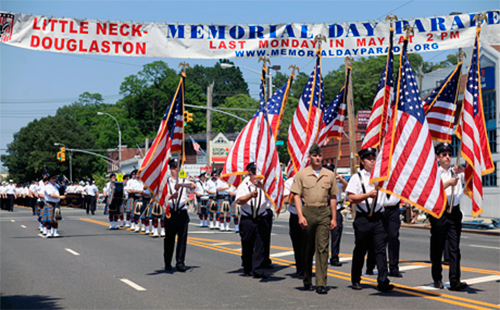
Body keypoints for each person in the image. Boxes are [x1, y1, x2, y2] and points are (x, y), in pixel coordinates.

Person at [291, 143, 339, 295]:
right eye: (314, 156)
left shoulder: (329, 174)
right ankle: (306, 278)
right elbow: (296, 196)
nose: (317, 158)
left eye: (319, 156)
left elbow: (332, 197)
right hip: (308, 211)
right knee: (307, 248)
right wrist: (300, 215)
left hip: (323, 212)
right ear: (310, 157)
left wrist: (334, 217)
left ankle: (321, 283)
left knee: (323, 248)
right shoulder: (302, 174)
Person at [346, 147, 394, 292]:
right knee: (361, 249)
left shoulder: (382, 177)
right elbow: (351, 197)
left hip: (378, 218)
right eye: (369, 159)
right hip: (363, 218)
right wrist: (367, 195)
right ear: (362, 161)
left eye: (374, 158)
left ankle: (383, 280)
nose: (372, 161)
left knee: (380, 250)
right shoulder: (357, 177)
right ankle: (356, 279)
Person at [430, 142, 467, 291]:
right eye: (443, 154)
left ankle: (454, 280)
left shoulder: (456, 171)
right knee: (437, 247)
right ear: (438, 157)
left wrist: (462, 169)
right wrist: (447, 183)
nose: (447, 157)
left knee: (454, 248)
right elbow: (432, 190)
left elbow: (472, 177)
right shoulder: (434, 173)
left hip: (455, 212)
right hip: (440, 211)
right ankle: (437, 278)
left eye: (449, 154)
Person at [235, 162, 272, 279]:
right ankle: (247, 267)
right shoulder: (243, 185)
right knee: (247, 243)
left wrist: (264, 188)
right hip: (248, 219)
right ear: (249, 173)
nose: (257, 175)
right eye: (254, 172)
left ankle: (258, 269)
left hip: (261, 217)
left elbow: (272, 198)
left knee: (260, 244)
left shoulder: (265, 185)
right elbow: (239, 200)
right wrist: (251, 195)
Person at [164, 158, 196, 272]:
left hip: (182, 212)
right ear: (170, 169)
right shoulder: (166, 182)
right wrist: (171, 197)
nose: (175, 169)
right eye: (173, 167)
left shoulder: (184, 181)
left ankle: (180, 262)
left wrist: (181, 184)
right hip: (171, 212)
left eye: (177, 167)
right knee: (169, 239)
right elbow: (161, 198)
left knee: (182, 239)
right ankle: (167, 262)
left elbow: (194, 186)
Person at [322, 163, 348, 267]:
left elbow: (347, 186)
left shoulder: (337, 184)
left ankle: (335, 257)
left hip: (335, 211)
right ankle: (322, 257)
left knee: (336, 236)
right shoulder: (320, 182)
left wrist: (340, 178)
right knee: (322, 237)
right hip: (323, 211)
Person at [283, 175, 303, 279]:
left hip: (310, 213)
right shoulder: (290, 182)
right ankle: (301, 269)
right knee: (298, 244)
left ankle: (306, 267)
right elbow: (286, 200)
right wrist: (295, 192)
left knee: (311, 244)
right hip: (295, 215)